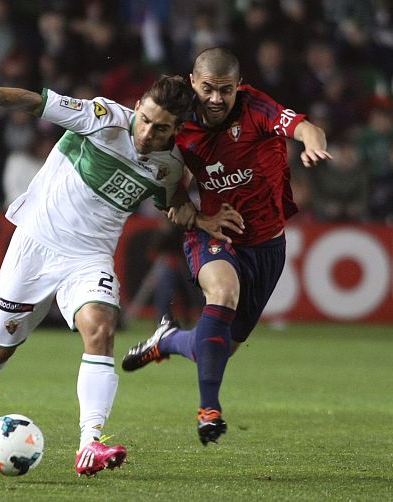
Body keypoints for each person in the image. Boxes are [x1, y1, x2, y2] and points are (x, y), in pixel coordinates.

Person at [0, 73, 193, 476]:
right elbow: (35, 101)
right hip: (35, 246)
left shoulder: (170, 166)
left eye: (161, 129)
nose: (148, 133)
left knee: (101, 329)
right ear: (138, 106)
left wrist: (195, 213)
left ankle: (90, 444)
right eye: (146, 120)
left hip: (89, 259)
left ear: (177, 130)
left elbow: (175, 202)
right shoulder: (103, 118)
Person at [122, 47, 331, 447]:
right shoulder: (177, 124)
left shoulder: (256, 108)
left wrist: (311, 144)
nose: (216, 99)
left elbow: (306, 128)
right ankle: (209, 410)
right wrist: (196, 218)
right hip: (215, 234)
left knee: (216, 348)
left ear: (238, 87)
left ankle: (166, 341)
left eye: (225, 90)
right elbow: (172, 198)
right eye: (208, 89)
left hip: (268, 245)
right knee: (223, 292)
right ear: (193, 83)